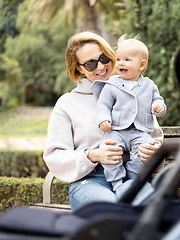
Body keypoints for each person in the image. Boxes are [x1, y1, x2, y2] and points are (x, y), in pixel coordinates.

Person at [43, 31, 164, 211]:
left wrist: (153, 152)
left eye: (103, 57)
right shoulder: (66, 103)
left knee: (148, 209)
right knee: (113, 211)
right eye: (91, 64)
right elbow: (54, 156)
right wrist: (93, 155)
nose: (101, 66)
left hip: (131, 178)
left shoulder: (136, 92)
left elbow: (155, 139)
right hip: (89, 182)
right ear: (79, 69)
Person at [92, 35, 167, 192]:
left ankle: (134, 179)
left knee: (144, 151)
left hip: (140, 130)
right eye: (118, 59)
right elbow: (103, 105)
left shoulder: (149, 85)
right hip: (116, 130)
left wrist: (158, 106)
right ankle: (117, 182)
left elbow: (157, 100)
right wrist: (103, 120)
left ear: (142, 65)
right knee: (110, 153)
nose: (120, 63)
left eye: (127, 59)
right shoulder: (112, 84)